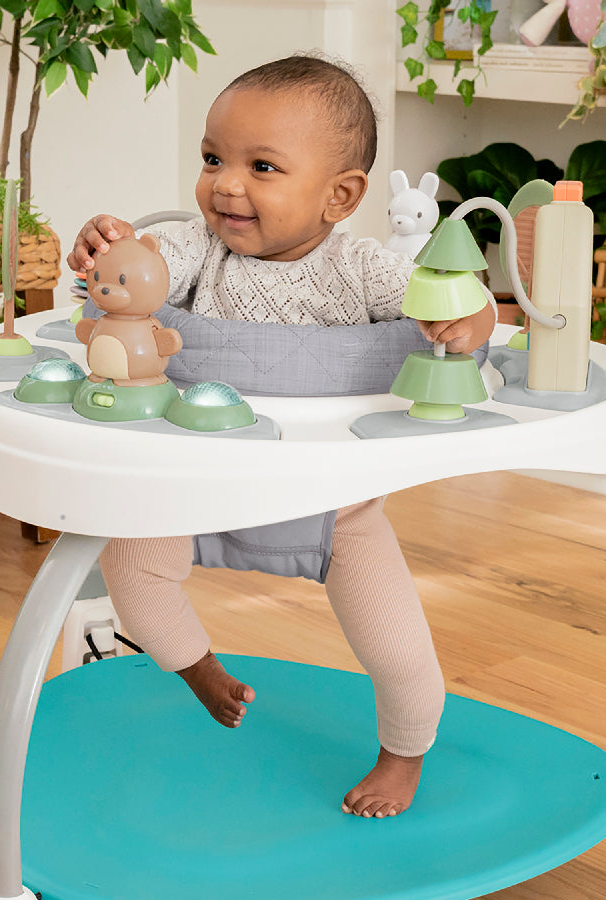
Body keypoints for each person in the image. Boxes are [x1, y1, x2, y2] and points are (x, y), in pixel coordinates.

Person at [68, 53, 494, 818]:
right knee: (129, 572)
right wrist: (107, 248)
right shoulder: (198, 256)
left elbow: (451, 298)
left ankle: (403, 755)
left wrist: (470, 320)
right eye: (212, 159)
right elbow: (136, 279)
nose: (225, 183)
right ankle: (200, 669)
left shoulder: (364, 267)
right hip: (195, 491)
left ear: (340, 196)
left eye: (261, 166)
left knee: (401, 655)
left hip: (336, 511)